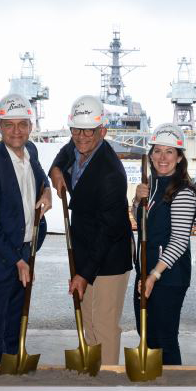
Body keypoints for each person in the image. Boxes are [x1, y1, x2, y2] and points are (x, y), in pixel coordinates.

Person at [48, 95, 133, 365]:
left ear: (103, 131)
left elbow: (107, 231)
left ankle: (106, 387)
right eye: (76, 129)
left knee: (104, 326)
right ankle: (91, 379)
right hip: (85, 250)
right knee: (87, 323)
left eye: (89, 131)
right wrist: (56, 168)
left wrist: (84, 274)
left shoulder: (110, 173)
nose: (81, 136)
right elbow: (66, 151)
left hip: (108, 258)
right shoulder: (77, 148)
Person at [0, 93, 53, 364]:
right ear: (0, 128)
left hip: (24, 251)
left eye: (22, 125)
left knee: (16, 320)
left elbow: (41, 177)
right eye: (9, 125)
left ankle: (13, 374)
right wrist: (18, 260)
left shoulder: (31, 151)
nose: (16, 131)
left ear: (31, 126)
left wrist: (48, 192)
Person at [131, 123, 196, 365]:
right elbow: (143, 222)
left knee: (164, 339)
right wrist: (137, 201)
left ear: (180, 157)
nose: (162, 157)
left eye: (169, 151)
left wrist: (153, 276)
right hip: (146, 271)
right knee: (146, 335)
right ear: (150, 154)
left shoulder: (184, 193)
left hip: (167, 277)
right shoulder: (152, 186)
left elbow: (179, 241)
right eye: (157, 151)